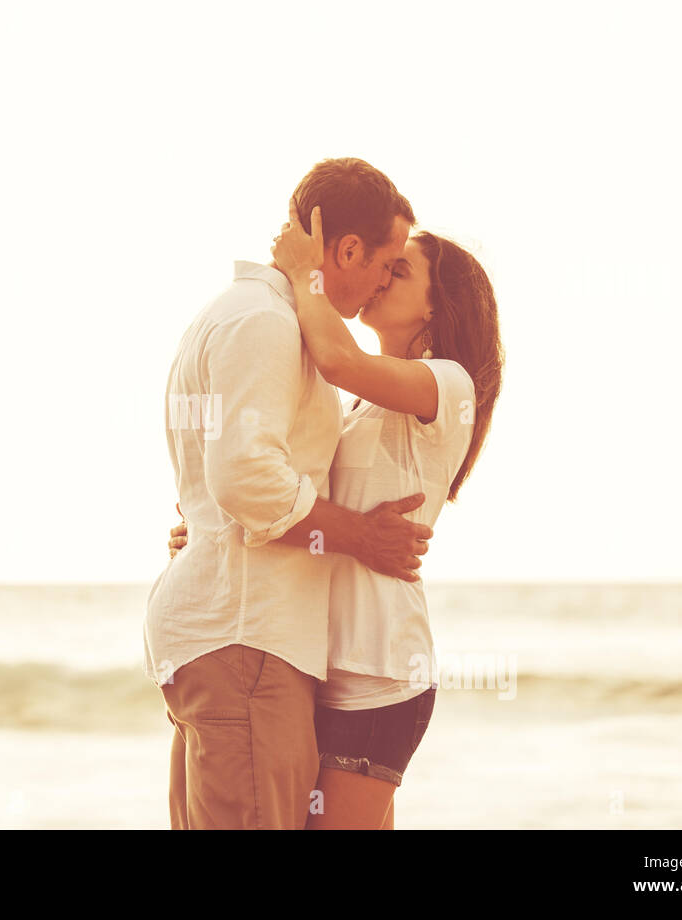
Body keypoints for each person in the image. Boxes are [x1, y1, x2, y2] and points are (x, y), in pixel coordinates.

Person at [168, 200, 504, 828]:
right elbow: (292, 495)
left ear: (436, 306)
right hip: (326, 666)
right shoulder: (361, 409)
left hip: (378, 670)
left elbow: (338, 358)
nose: (381, 279)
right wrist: (219, 528)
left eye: (399, 273)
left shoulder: (449, 384)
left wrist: (305, 275)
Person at [144, 158, 433, 830]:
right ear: (348, 249)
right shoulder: (264, 324)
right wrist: (364, 537)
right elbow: (247, 475)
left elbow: (226, 482)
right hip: (246, 646)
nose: (385, 281)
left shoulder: (254, 316)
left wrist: (208, 528)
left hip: (233, 639)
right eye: (386, 263)